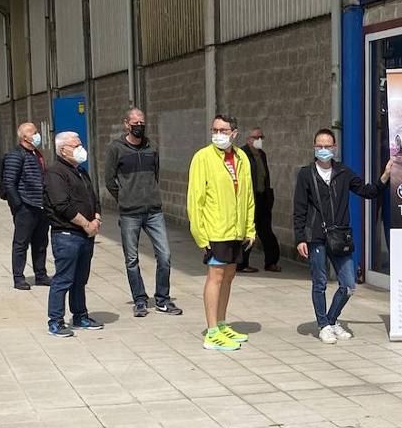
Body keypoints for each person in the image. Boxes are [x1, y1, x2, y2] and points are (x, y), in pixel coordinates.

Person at [293, 127, 390, 344]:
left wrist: (384, 177)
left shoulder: (344, 173)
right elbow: (299, 209)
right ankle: (323, 325)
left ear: (335, 148)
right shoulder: (306, 174)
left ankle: (331, 319)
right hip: (316, 237)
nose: (324, 149)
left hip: (340, 237)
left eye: (328, 146)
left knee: (348, 284)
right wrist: (300, 238)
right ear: (314, 147)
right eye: (320, 146)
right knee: (319, 282)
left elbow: (368, 192)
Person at [103, 107, 182, 318]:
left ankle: (163, 299)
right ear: (126, 124)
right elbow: (109, 180)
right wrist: (125, 198)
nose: (139, 126)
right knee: (131, 259)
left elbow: (155, 173)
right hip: (130, 213)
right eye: (135, 122)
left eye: (142, 122)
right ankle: (139, 299)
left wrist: (149, 195)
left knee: (164, 256)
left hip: (154, 211)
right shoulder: (116, 148)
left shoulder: (151, 147)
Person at [187, 114, 255, 352]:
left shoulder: (242, 157)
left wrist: (250, 228)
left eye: (223, 130)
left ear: (234, 133)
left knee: (228, 276)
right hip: (215, 230)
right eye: (215, 129)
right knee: (215, 277)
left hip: (235, 230)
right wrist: (200, 235)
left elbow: (248, 196)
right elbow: (195, 200)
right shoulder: (203, 158)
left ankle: (223, 323)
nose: (218, 134)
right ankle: (212, 331)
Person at [44, 131, 103, 338]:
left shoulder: (81, 171)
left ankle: (80, 315)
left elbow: (93, 198)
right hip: (67, 235)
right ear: (63, 150)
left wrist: (96, 218)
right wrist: (86, 224)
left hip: (86, 235)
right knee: (64, 279)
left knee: (80, 279)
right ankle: (56, 320)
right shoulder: (55, 172)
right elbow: (62, 205)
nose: (80, 149)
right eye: (75, 146)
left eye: (80, 145)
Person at [3, 122, 51, 290]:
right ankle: (18, 278)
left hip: (41, 206)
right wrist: (18, 206)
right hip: (26, 206)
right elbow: (9, 182)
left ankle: (41, 274)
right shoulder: (16, 155)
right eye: (34, 132)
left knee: (41, 242)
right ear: (24, 137)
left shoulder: (36, 153)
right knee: (21, 243)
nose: (37, 135)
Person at [237, 127, 281, 274]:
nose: (259, 140)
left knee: (266, 231)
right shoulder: (242, 154)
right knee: (249, 232)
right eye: (256, 138)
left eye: (261, 137)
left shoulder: (262, 154)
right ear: (248, 139)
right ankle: (242, 263)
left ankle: (271, 262)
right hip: (250, 198)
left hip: (263, 198)